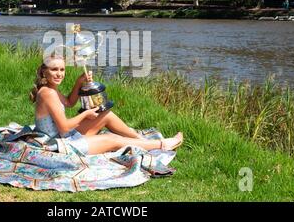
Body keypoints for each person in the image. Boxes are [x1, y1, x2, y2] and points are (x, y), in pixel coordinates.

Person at [29, 55, 184, 155]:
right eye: (54, 69)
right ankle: (162, 144)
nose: (59, 74)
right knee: (112, 139)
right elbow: (64, 127)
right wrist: (85, 114)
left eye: (62, 69)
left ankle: (141, 141)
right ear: (44, 72)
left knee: (106, 114)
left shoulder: (50, 89)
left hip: (62, 136)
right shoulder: (47, 93)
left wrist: (79, 82)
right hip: (59, 144)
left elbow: (69, 103)